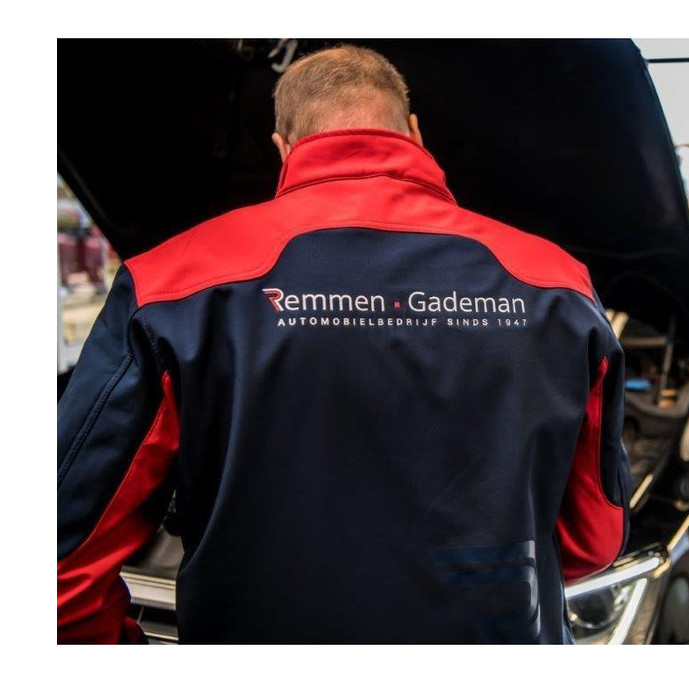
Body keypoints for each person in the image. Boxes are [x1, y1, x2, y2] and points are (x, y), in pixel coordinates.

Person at [57, 44, 631, 644]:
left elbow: (62, 567)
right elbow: (594, 539)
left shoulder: (170, 286)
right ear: (415, 133)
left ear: (283, 149)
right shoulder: (558, 285)